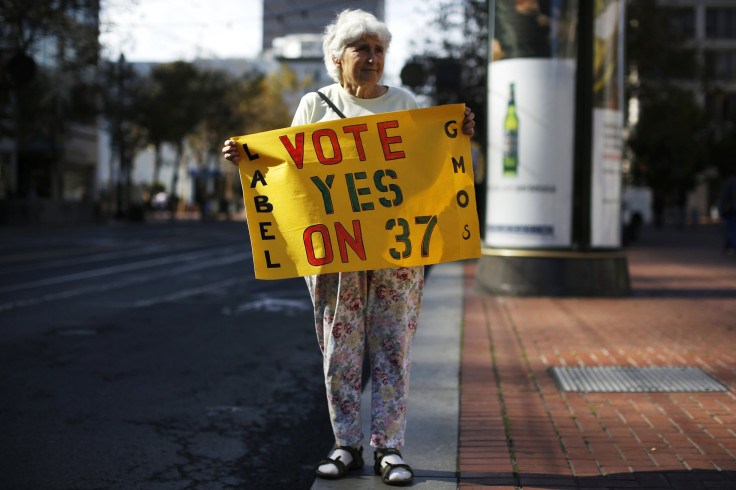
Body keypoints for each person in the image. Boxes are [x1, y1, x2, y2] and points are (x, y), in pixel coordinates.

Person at [223, 9, 475, 485]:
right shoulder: (314, 105)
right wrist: (247, 156)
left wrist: (458, 132)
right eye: (362, 48)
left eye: (379, 49)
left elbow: (431, 165)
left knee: (393, 346)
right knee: (339, 346)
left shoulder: (405, 102)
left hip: (396, 251)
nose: (373, 57)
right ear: (337, 59)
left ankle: (390, 447)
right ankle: (346, 445)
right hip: (336, 251)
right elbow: (287, 175)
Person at [719, 174, 736, 255]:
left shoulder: (730, 182)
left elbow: (724, 197)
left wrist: (722, 208)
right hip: (732, 208)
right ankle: (728, 246)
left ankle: (732, 247)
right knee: (731, 228)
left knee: (731, 228)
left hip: (732, 209)